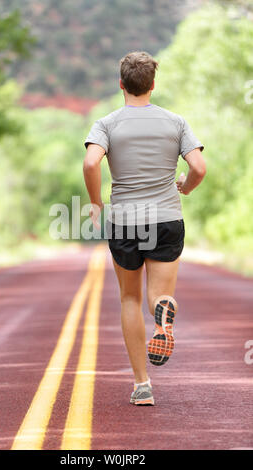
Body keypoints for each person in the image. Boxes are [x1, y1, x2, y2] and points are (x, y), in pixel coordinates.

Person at [83, 51, 206, 406]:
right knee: (158, 296)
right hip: (167, 217)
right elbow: (198, 167)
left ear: (121, 84)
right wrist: (186, 186)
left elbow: (92, 161)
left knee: (130, 298)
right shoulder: (176, 122)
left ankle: (142, 385)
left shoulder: (106, 123)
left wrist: (94, 203)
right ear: (153, 85)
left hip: (125, 221)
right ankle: (164, 312)